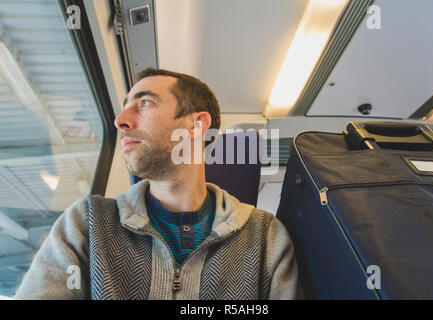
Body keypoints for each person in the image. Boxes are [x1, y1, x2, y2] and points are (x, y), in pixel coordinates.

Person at [15, 68, 300, 300]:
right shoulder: (88, 223)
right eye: (125, 106)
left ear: (198, 125)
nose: (120, 120)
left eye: (145, 103)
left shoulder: (265, 237)